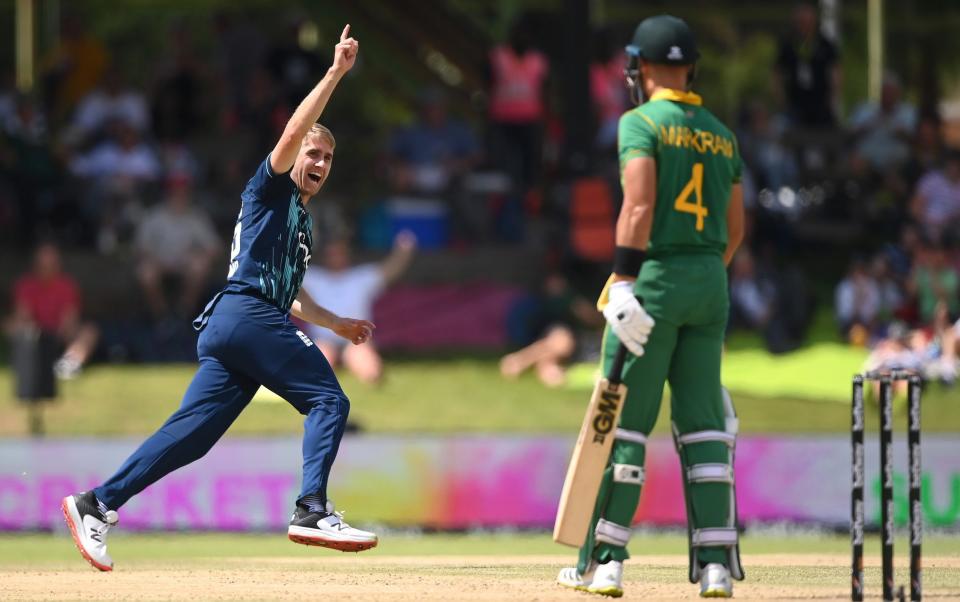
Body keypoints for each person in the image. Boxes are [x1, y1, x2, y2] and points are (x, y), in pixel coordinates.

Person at [61, 26, 378, 572]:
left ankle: (97, 503)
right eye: (313, 152)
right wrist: (334, 74)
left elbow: (291, 295)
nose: (320, 162)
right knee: (329, 401)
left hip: (238, 323)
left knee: (191, 437)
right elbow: (294, 131)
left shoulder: (300, 222)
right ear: (293, 153)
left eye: (328, 156)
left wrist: (338, 323)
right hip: (247, 316)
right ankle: (311, 509)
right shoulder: (269, 186)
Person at [556, 16, 745, 598]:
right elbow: (735, 229)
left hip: (654, 279)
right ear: (691, 66)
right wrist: (701, 273)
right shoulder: (720, 133)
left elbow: (636, 208)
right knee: (704, 426)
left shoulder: (639, 123)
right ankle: (716, 567)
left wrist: (625, 281)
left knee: (622, 423)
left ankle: (606, 562)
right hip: (710, 283)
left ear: (641, 67)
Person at [300, 231, 417, 384]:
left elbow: (389, 270)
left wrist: (404, 251)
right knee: (318, 368)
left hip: (355, 338)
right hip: (324, 339)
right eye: (331, 253)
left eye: (339, 253)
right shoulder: (313, 277)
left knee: (371, 371)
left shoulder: (361, 277)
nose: (335, 257)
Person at [8, 242, 99, 379]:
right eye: (43, 265)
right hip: (34, 335)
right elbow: (23, 316)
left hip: (60, 335)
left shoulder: (67, 286)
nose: (47, 269)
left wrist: (56, 335)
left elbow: (70, 319)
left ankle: (69, 364)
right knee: (12, 326)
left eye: (51, 264)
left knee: (90, 331)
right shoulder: (25, 285)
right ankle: (28, 361)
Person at [134, 176, 220, 320]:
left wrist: (198, 254)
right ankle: (161, 316)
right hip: (159, 262)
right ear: (168, 194)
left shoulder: (196, 216)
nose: (179, 196)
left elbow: (214, 247)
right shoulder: (154, 216)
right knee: (145, 273)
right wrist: (155, 259)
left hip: (185, 263)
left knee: (199, 266)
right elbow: (141, 247)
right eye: (175, 192)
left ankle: (183, 312)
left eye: (183, 192)